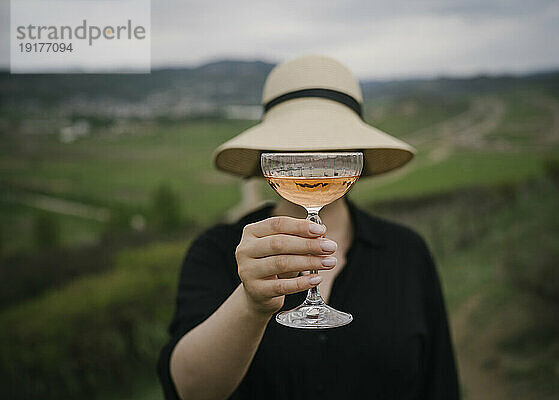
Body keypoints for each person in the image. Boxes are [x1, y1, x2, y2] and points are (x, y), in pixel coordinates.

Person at [157, 55, 460, 400]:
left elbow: (440, 381)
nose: (315, 157)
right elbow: (189, 390)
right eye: (296, 142)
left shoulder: (407, 252)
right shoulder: (215, 251)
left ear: (357, 150)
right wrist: (251, 304)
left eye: (332, 141)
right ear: (267, 153)